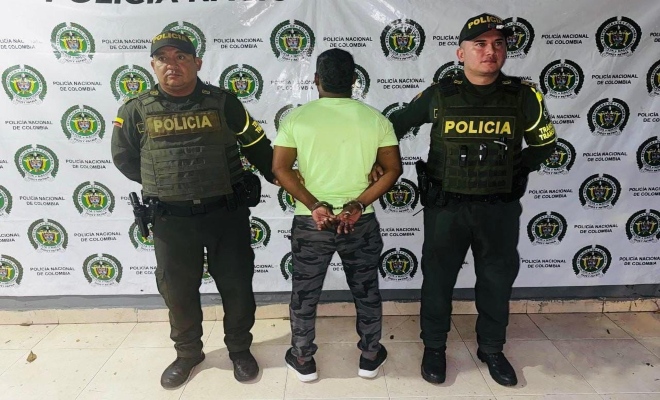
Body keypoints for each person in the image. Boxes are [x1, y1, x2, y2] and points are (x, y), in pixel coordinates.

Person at [388, 13, 556, 386]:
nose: (490, 51)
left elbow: (545, 144)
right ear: (461, 53)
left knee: (496, 280)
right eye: (480, 44)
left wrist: (516, 169)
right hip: (446, 208)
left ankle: (492, 348)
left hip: (498, 209)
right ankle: (434, 347)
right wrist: (382, 165)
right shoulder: (439, 95)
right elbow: (392, 127)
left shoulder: (523, 96)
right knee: (438, 280)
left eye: (498, 43)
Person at [111, 30, 277, 389]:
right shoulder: (135, 110)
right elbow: (124, 158)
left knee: (237, 287)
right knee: (178, 292)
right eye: (163, 58)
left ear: (197, 62)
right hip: (171, 220)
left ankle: (239, 349)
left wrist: (284, 175)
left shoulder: (224, 103)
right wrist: (167, 182)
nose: (172, 65)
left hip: (225, 215)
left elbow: (258, 147)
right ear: (153, 65)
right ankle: (188, 354)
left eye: (181, 57)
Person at [272, 48, 402, 382]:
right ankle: (370, 357)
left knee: (305, 292)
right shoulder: (376, 119)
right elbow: (393, 170)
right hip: (359, 221)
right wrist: (358, 204)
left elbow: (280, 169)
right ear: (354, 80)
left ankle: (303, 358)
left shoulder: (296, 119)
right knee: (366, 290)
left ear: (316, 80)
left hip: (311, 222)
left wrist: (314, 204)